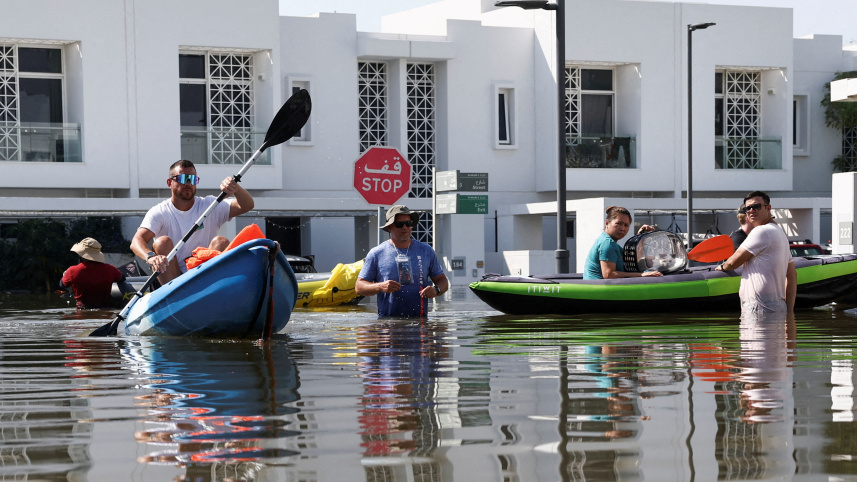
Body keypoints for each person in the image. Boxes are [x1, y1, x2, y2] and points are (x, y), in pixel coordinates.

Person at [130, 160, 255, 285]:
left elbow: (247, 205)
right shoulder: (159, 212)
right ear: (170, 183)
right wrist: (151, 257)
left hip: (203, 273)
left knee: (220, 241)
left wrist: (236, 188)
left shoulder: (210, 205)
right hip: (173, 277)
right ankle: (174, 294)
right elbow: (137, 241)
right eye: (183, 178)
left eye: (192, 179)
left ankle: (210, 290)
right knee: (162, 242)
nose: (188, 183)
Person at [356, 205, 449, 317]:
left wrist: (436, 289)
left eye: (408, 223)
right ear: (390, 227)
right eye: (399, 224)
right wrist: (380, 286)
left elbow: (442, 280)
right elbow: (359, 287)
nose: (405, 227)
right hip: (388, 323)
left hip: (420, 322)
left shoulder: (426, 250)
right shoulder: (376, 253)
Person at [716, 191, 797, 314]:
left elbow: (733, 262)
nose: (752, 210)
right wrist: (789, 311)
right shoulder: (780, 233)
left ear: (768, 208)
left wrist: (723, 266)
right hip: (777, 306)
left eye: (756, 206)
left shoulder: (761, 231)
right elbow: (792, 276)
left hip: (760, 306)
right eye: (748, 208)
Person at [583, 206, 664, 280]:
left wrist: (640, 236)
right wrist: (642, 274)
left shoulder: (611, 243)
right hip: (598, 291)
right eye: (619, 223)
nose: (622, 228)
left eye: (626, 225)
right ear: (607, 223)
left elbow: (631, 256)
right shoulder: (607, 243)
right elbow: (609, 274)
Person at [60, 237, 125, 310]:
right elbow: (122, 278)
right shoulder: (111, 269)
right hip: (106, 312)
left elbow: (62, 285)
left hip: (82, 313)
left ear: (81, 256)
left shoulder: (72, 271)